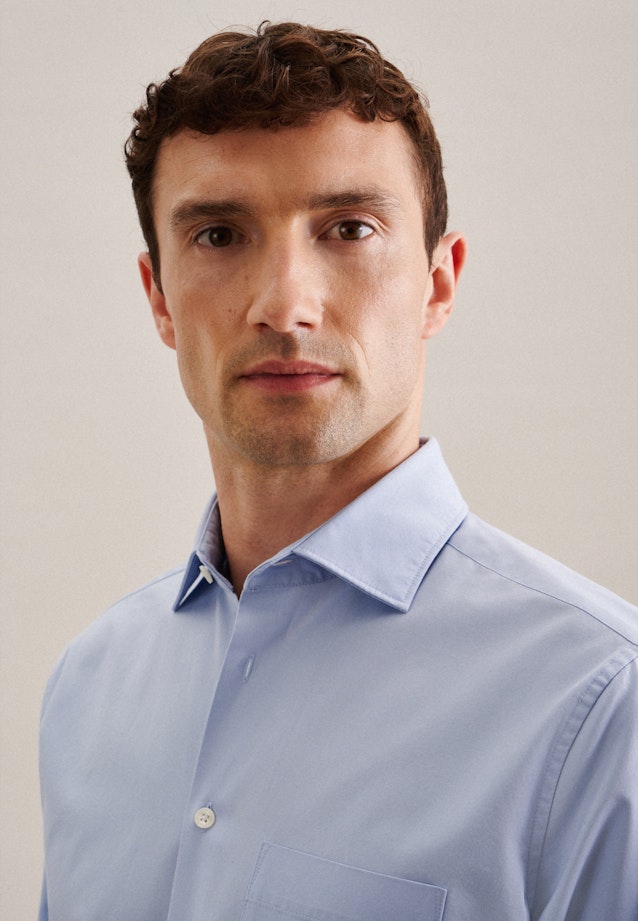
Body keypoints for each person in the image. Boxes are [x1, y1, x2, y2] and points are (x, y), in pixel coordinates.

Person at [38, 21, 637, 921]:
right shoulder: (88, 688)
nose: (286, 305)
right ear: (158, 296)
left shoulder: (603, 707)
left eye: (349, 228)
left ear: (438, 282)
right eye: (218, 234)